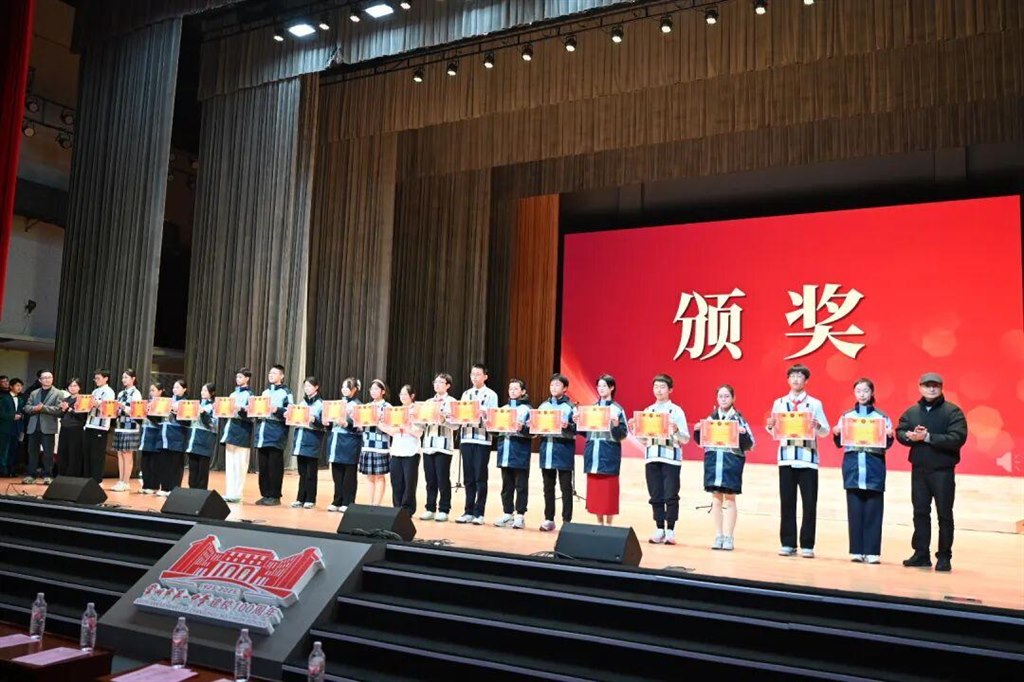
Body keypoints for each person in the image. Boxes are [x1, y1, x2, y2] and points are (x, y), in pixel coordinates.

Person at [896, 372, 967, 573]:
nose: (932, 389)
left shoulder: (953, 412)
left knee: (944, 514)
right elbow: (900, 431)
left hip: (942, 471)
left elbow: (957, 438)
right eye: (927, 385)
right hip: (919, 470)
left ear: (941, 388)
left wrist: (928, 437)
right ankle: (921, 554)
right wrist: (908, 436)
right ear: (920, 388)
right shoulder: (912, 412)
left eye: (935, 385)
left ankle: (944, 556)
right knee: (920, 512)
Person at [765, 364, 829, 558]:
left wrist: (817, 426)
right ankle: (788, 543)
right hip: (786, 458)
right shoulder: (779, 403)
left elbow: (825, 431)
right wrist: (770, 426)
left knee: (809, 504)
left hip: (808, 459)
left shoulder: (815, 404)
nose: (796, 379)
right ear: (788, 380)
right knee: (787, 502)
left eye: (800, 376)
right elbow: (774, 431)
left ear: (806, 380)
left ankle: (808, 545)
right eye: (792, 376)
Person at [832, 378, 893, 564]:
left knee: (874, 512)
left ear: (872, 393)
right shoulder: (847, 416)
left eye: (866, 390)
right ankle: (856, 551)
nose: (862, 394)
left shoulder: (881, 417)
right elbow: (839, 442)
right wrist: (836, 433)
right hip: (853, 467)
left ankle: (872, 552)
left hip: (874, 467)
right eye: (859, 391)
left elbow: (887, 443)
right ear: (854, 393)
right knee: (855, 511)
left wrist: (890, 436)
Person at [695, 384, 754, 551]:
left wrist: (743, 433)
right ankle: (718, 535)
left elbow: (750, 444)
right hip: (713, 463)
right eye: (720, 396)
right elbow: (701, 442)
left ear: (733, 398)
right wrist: (698, 431)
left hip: (731, 463)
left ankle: (729, 536)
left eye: (727, 396)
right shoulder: (711, 418)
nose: (723, 399)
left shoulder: (739, 419)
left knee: (730, 499)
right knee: (715, 499)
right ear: (716, 398)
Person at [633, 373, 690, 545]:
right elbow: (643, 440)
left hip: (671, 459)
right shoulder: (648, 411)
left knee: (670, 495)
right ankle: (659, 528)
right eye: (656, 387)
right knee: (655, 494)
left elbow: (685, 439)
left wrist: (676, 430)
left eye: (662, 387)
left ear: (670, 390)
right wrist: (636, 429)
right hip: (652, 457)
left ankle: (670, 530)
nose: (659, 390)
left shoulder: (676, 411)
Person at [579, 374, 627, 526]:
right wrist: (578, 423)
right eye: (599, 386)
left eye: (604, 386)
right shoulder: (592, 409)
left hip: (609, 454)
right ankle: (599, 523)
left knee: (609, 492)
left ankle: (609, 524)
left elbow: (623, 435)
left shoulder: (617, 409)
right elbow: (586, 433)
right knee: (596, 492)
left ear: (611, 388)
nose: (601, 389)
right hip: (593, 454)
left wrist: (616, 424)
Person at [456, 364, 500, 525]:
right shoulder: (466, 394)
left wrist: (484, 413)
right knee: (468, 477)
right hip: (466, 438)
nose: (474, 377)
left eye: (478, 374)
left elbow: (495, 417)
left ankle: (479, 512)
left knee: (480, 477)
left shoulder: (491, 395)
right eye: (472, 374)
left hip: (482, 439)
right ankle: (468, 511)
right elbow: (459, 414)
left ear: (485, 377)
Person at [537, 373, 578, 532]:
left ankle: (567, 521)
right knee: (548, 487)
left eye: (557, 385)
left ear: (565, 388)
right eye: (552, 385)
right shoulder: (543, 406)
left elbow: (578, 431)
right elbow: (536, 428)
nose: (553, 388)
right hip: (546, 451)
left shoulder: (571, 407)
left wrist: (568, 426)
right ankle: (549, 519)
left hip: (563, 451)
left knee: (566, 488)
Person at [493, 379, 532, 529]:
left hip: (520, 452)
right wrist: (491, 424)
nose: (513, 391)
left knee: (521, 485)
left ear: (523, 391)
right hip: (505, 451)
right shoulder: (503, 409)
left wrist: (523, 428)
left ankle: (520, 515)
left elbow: (533, 432)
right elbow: (495, 431)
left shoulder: (527, 409)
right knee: (506, 485)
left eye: (516, 389)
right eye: (510, 389)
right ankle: (507, 513)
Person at [381, 384, 423, 516]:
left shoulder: (417, 410)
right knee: (396, 481)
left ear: (412, 396)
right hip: (396, 451)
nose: (402, 396)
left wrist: (406, 427)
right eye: (401, 394)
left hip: (411, 451)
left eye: (405, 394)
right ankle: (397, 507)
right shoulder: (396, 411)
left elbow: (419, 432)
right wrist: (380, 424)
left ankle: (407, 510)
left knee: (409, 483)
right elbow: (392, 432)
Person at [253, 364, 292, 506]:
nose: (271, 375)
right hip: (262, 432)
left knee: (274, 466)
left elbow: (291, 412)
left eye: (274, 373)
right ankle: (265, 494)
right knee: (263, 466)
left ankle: (275, 496)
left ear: (282, 376)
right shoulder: (265, 392)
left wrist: (277, 410)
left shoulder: (286, 392)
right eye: (270, 373)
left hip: (276, 432)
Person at [420, 373, 457, 522]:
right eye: (435, 382)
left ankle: (444, 509)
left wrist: (444, 420)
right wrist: (416, 418)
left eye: (441, 382)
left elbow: (456, 425)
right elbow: (422, 425)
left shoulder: (452, 402)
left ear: (448, 385)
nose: (437, 384)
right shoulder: (428, 402)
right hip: (428, 444)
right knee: (430, 479)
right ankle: (430, 508)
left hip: (443, 445)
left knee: (443, 479)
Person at [22, 371, 65, 485]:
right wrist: (35, 408)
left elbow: (59, 410)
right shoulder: (34, 393)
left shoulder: (58, 393)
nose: (47, 379)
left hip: (48, 427)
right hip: (33, 427)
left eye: (49, 377)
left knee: (48, 453)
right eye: (44, 378)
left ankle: (48, 475)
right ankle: (31, 475)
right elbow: (26, 408)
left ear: (52, 379)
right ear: (40, 380)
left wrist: (43, 408)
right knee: (32, 452)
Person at [327, 377, 362, 513]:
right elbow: (331, 424)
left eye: (347, 387)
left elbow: (359, 426)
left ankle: (348, 502)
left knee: (349, 474)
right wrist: (327, 422)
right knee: (337, 473)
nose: (344, 389)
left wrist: (346, 423)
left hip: (350, 442)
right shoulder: (337, 404)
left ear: (354, 389)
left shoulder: (357, 405)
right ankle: (337, 500)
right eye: (343, 387)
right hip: (336, 440)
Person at [220, 368, 254, 503]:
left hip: (242, 431)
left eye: (240, 377)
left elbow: (252, 415)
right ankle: (230, 492)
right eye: (237, 377)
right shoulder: (232, 394)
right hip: (230, 430)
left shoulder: (250, 395)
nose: (238, 379)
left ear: (247, 378)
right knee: (230, 464)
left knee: (240, 464)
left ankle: (237, 493)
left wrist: (241, 409)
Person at [291, 377, 326, 508]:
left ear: (316, 387)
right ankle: (300, 498)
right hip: (300, 439)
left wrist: (314, 420)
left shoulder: (321, 404)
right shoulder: (302, 403)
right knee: (302, 472)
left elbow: (325, 424)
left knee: (311, 472)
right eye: (305, 386)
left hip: (312, 440)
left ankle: (310, 499)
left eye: (309, 386)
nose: (307, 389)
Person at [359, 380, 391, 506]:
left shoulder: (387, 407)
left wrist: (379, 420)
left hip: (381, 445)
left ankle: (377, 504)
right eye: (371, 389)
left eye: (376, 389)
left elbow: (390, 425)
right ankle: (370, 504)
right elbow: (361, 425)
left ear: (383, 391)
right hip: (367, 444)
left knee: (379, 476)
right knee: (369, 476)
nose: (373, 391)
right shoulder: (367, 406)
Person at [111, 370, 143, 491]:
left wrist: (122, 406)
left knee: (127, 454)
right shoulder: (121, 393)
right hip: (120, 425)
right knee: (120, 453)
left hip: (131, 427)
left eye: (126, 377)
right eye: (123, 377)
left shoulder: (136, 393)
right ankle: (120, 481)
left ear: (133, 379)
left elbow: (136, 411)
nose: (123, 380)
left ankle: (126, 481)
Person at [84, 369, 116, 484]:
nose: (96, 380)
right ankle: (87, 478)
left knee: (97, 454)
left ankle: (97, 479)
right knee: (87, 452)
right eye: (95, 378)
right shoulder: (95, 391)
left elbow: (109, 410)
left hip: (101, 426)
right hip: (90, 423)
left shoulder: (109, 392)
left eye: (98, 378)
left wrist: (98, 405)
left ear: (106, 378)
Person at [157, 379, 189, 496]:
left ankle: (174, 488)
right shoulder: (168, 400)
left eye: (178, 387)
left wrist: (176, 412)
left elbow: (187, 421)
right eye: (174, 387)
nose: (175, 389)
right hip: (164, 435)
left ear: (184, 389)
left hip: (177, 436)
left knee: (176, 464)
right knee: (164, 463)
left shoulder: (186, 403)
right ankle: (164, 488)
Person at [185, 383, 219, 490]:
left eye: (205, 390)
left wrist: (204, 413)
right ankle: (192, 489)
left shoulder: (214, 406)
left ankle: (201, 491)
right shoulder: (197, 404)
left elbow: (213, 424)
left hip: (205, 439)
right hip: (193, 438)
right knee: (193, 467)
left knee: (202, 468)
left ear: (212, 393)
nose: (202, 392)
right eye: (202, 390)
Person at [138, 382, 167, 494]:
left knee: (154, 462)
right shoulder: (149, 403)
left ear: (160, 391)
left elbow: (159, 421)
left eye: (153, 390)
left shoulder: (163, 403)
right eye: (150, 390)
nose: (151, 393)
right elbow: (142, 420)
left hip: (156, 434)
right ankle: (146, 485)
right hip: (146, 434)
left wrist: (148, 413)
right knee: (145, 462)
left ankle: (154, 486)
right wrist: (137, 414)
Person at [57, 379, 87, 477]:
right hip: (64, 427)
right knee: (63, 451)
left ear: (79, 387)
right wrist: (62, 409)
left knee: (74, 452)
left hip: (76, 428)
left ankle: (73, 474)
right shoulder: (65, 399)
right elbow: (60, 414)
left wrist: (69, 409)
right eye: (70, 386)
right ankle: (62, 474)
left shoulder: (82, 399)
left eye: (75, 386)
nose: (72, 388)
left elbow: (82, 416)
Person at [9, 378, 26, 476]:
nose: (19, 388)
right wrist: (12, 416)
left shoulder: (21, 399)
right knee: (6, 448)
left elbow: (22, 411)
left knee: (16, 448)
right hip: (7, 427)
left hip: (18, 427)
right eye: (17, 385)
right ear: (11, 386)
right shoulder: (4, 398)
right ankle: (4, 470)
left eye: (21, 386)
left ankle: (13, 470)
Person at [0, 376, 14, 478]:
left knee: (9, 449)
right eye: (2, 382)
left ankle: (7, 469)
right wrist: (12, 416)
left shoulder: (11, 394)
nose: (5, 383)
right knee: (3, 449)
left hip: (11, 427)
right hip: (3, 426)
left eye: (6, 381)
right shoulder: (3, 396)